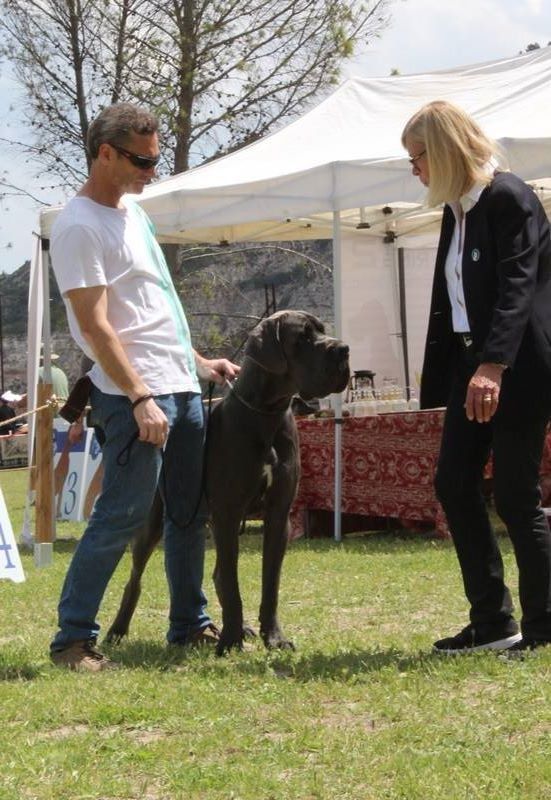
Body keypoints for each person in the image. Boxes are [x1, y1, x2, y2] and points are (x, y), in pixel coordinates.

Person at [49, 102, 239, 671]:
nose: (152, 171)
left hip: (179, 386)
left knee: (188, 514)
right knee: (123, 515)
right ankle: (72, 640)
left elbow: (156, 305)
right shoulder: (78, 225)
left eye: (155, 160)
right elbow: (94, 326)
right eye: (142, 161)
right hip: (134, 397)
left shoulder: (135, 213)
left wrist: (197, 362)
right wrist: (139, 396)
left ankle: (189, 625)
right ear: (105, 153)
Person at [401, 100, 551, 654]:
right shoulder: (455, 209)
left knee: (515, 496)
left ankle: (544, 626)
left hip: (517, 368)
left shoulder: (509, 196)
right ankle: (492, 621)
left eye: (418, 157)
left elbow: (518, 287)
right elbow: (453, 300)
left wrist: (493, 365)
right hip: (473, 367)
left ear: (443, 151)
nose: (414, 169)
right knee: (453, 482)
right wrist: (455, 371)